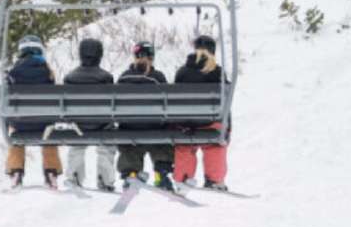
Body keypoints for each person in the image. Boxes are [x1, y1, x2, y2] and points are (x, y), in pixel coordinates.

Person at [4, 35, 63, 189]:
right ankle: (51, 173)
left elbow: (7, 100)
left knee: (16, 136)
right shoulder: (47, 72)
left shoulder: (13, 73)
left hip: (20, 123)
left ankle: (16, 172)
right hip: (44, 122)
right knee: (49, 134)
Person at [172, 35, 230, 190]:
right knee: (215, 144)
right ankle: (214, 180)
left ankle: (183, 178)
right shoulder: (218, 72)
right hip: (208, 124)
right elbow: (225, 102)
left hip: (185, 125)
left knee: (185, 145)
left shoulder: (182, 72)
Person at [116, 40, 176, 191]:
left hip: (129, 130)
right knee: (163, 133)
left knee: (129, 141)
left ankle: (131, 173)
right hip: (156, 130)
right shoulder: (157, 77)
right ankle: (161, 174)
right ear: (152, 57)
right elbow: (168, 104)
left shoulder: (124, 78)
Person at [62, 38, 117, 192]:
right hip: (102, 124)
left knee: (77, 144)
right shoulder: (106, 77)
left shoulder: (70, 78)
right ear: (100, 55)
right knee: (107, 145)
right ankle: (105, 179)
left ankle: (74, 176)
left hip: (78, 125)